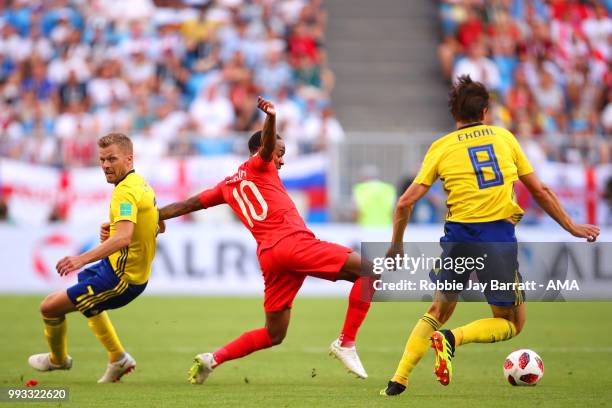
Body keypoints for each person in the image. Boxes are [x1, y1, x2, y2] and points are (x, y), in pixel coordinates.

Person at [380, 75, 600, 397]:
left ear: (454, 113)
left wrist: (396, 245)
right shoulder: (503, 138)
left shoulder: (440, 148)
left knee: (438, 310)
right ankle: (453, 340)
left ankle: (397, 381)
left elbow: (404, 202)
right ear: (485, 111)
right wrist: (571, 226)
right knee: (512, 322)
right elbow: (539, 189)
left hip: (457, 237)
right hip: (495, 236)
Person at [158, 97, 376, 384]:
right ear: (263, 149)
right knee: (370, 272)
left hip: (271, 257)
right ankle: (346, 342)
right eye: (279, 152)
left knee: (274, 334)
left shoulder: (225, 186)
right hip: (293, 244)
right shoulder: (261, 165)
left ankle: (213, 359)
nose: (281, 159)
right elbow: (267, 146)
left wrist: (157, 215)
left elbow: (187, 204)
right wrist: (272, 117)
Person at [28, 133, 162, 383]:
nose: (106, 166)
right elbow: (155, 224)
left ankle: (58, 360)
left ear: (129, 158)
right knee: (88, 301)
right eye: (102, 160)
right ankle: (118, 358)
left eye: (112, 159)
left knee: (49, 308)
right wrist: (113, 228)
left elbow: (123, 238)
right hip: (112, 267)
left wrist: (81, 259)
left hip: (121, 279)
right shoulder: (140, 184)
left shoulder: (125, 192)